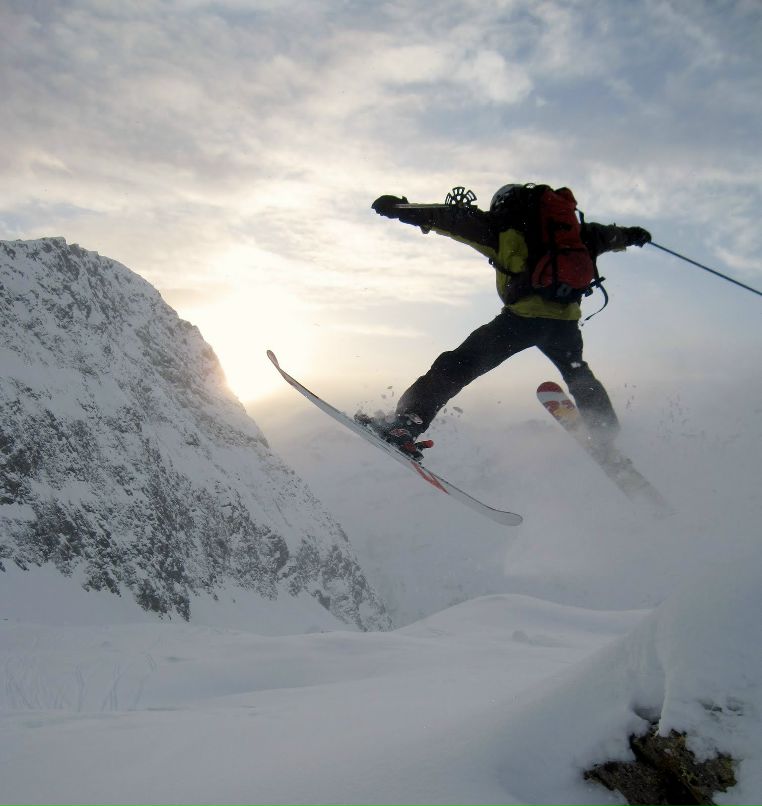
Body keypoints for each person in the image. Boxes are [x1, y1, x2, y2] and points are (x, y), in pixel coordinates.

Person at [361, 182, 652, 459]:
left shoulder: (502, 226)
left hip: (521, 321)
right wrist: (634, 235)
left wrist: (403, 209)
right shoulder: (576, 231)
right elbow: (613, 236)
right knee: (579, 374)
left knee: (460, 363)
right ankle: (607, 436)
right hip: (564, 325)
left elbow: (450, 219)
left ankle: (406, 424)